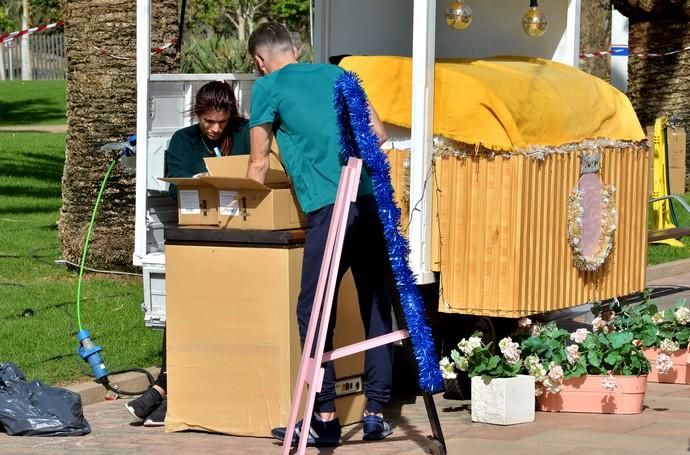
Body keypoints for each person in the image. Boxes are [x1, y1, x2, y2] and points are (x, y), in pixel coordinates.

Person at [246, 22, 394, 446]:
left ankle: (325, 416)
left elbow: (257, 166)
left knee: (313, 311)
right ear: (295, 48)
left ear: (260, 61)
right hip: (367, 200)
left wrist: (241, 202)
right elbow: (378, 134)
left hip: (329, 210)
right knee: (375, 302)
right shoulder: (340, 75)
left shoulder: (268, 87)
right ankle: (375, 412)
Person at [125, 80, 250, 427]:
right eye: (208, 122)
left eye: (221, 123)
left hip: (243, 237)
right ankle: (168, 388)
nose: (214, 129)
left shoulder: (244, 132)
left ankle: (164, 390)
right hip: (196, 237)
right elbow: (179, 187)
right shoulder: (184, 140)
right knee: (182, 311)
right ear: (198, 115)